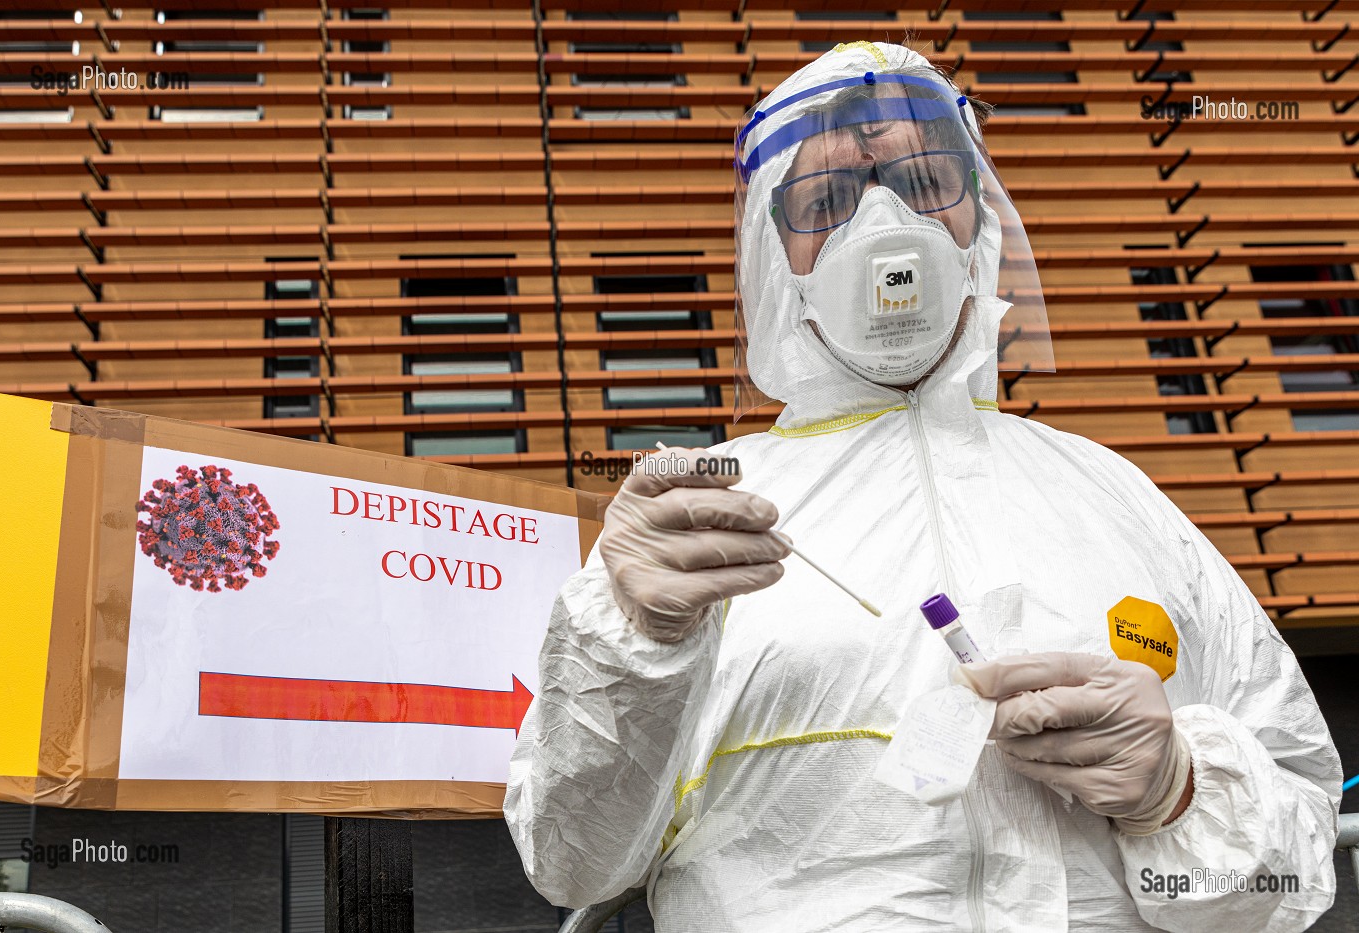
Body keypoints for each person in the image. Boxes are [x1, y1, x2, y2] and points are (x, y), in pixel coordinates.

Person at [504, 42, 1341, 932]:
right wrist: (636, 647)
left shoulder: (1109, 493)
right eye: (826, 200)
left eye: (924, 179)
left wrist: (1176, 789)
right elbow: (574, 861)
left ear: (978, 213)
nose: (883, 222)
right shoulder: (697, 523)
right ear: (772, 252)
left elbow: (1293, 867)